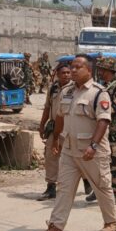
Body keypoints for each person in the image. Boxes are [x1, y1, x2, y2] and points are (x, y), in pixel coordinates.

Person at [34, 55, 116, 231]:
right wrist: (55, 139)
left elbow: (103, 121)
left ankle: (111, 222)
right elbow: (60, 117)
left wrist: (94, 146)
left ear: (89, 70)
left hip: (92, 152)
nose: (72, 70)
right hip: (69, 151)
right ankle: (55, 227)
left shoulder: (99, 93)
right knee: (64, 188)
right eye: (71, 67)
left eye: (77, 67)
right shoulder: (66, 91)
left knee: (102, 187)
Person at [87, 57, 116, 204]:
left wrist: (101, 109)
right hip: (103, 132)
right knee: (100, 163)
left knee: (115, 163)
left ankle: (114, 192)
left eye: (103, 70)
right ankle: (98, 191)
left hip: (114, 133)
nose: (101, 72)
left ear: (110, 71)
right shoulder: (104, 87)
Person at [37, 63, 71, 200]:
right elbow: (47, 108)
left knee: (76, 157)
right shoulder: (53, 88)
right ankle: (51, 187)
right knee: (51, 156)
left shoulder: (75, 89)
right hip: (54, 128)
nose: (67, 75)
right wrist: (41, 125)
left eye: (68, 73)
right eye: (63, 73)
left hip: (70, 128)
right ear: (57, 74)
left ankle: (88, 183)